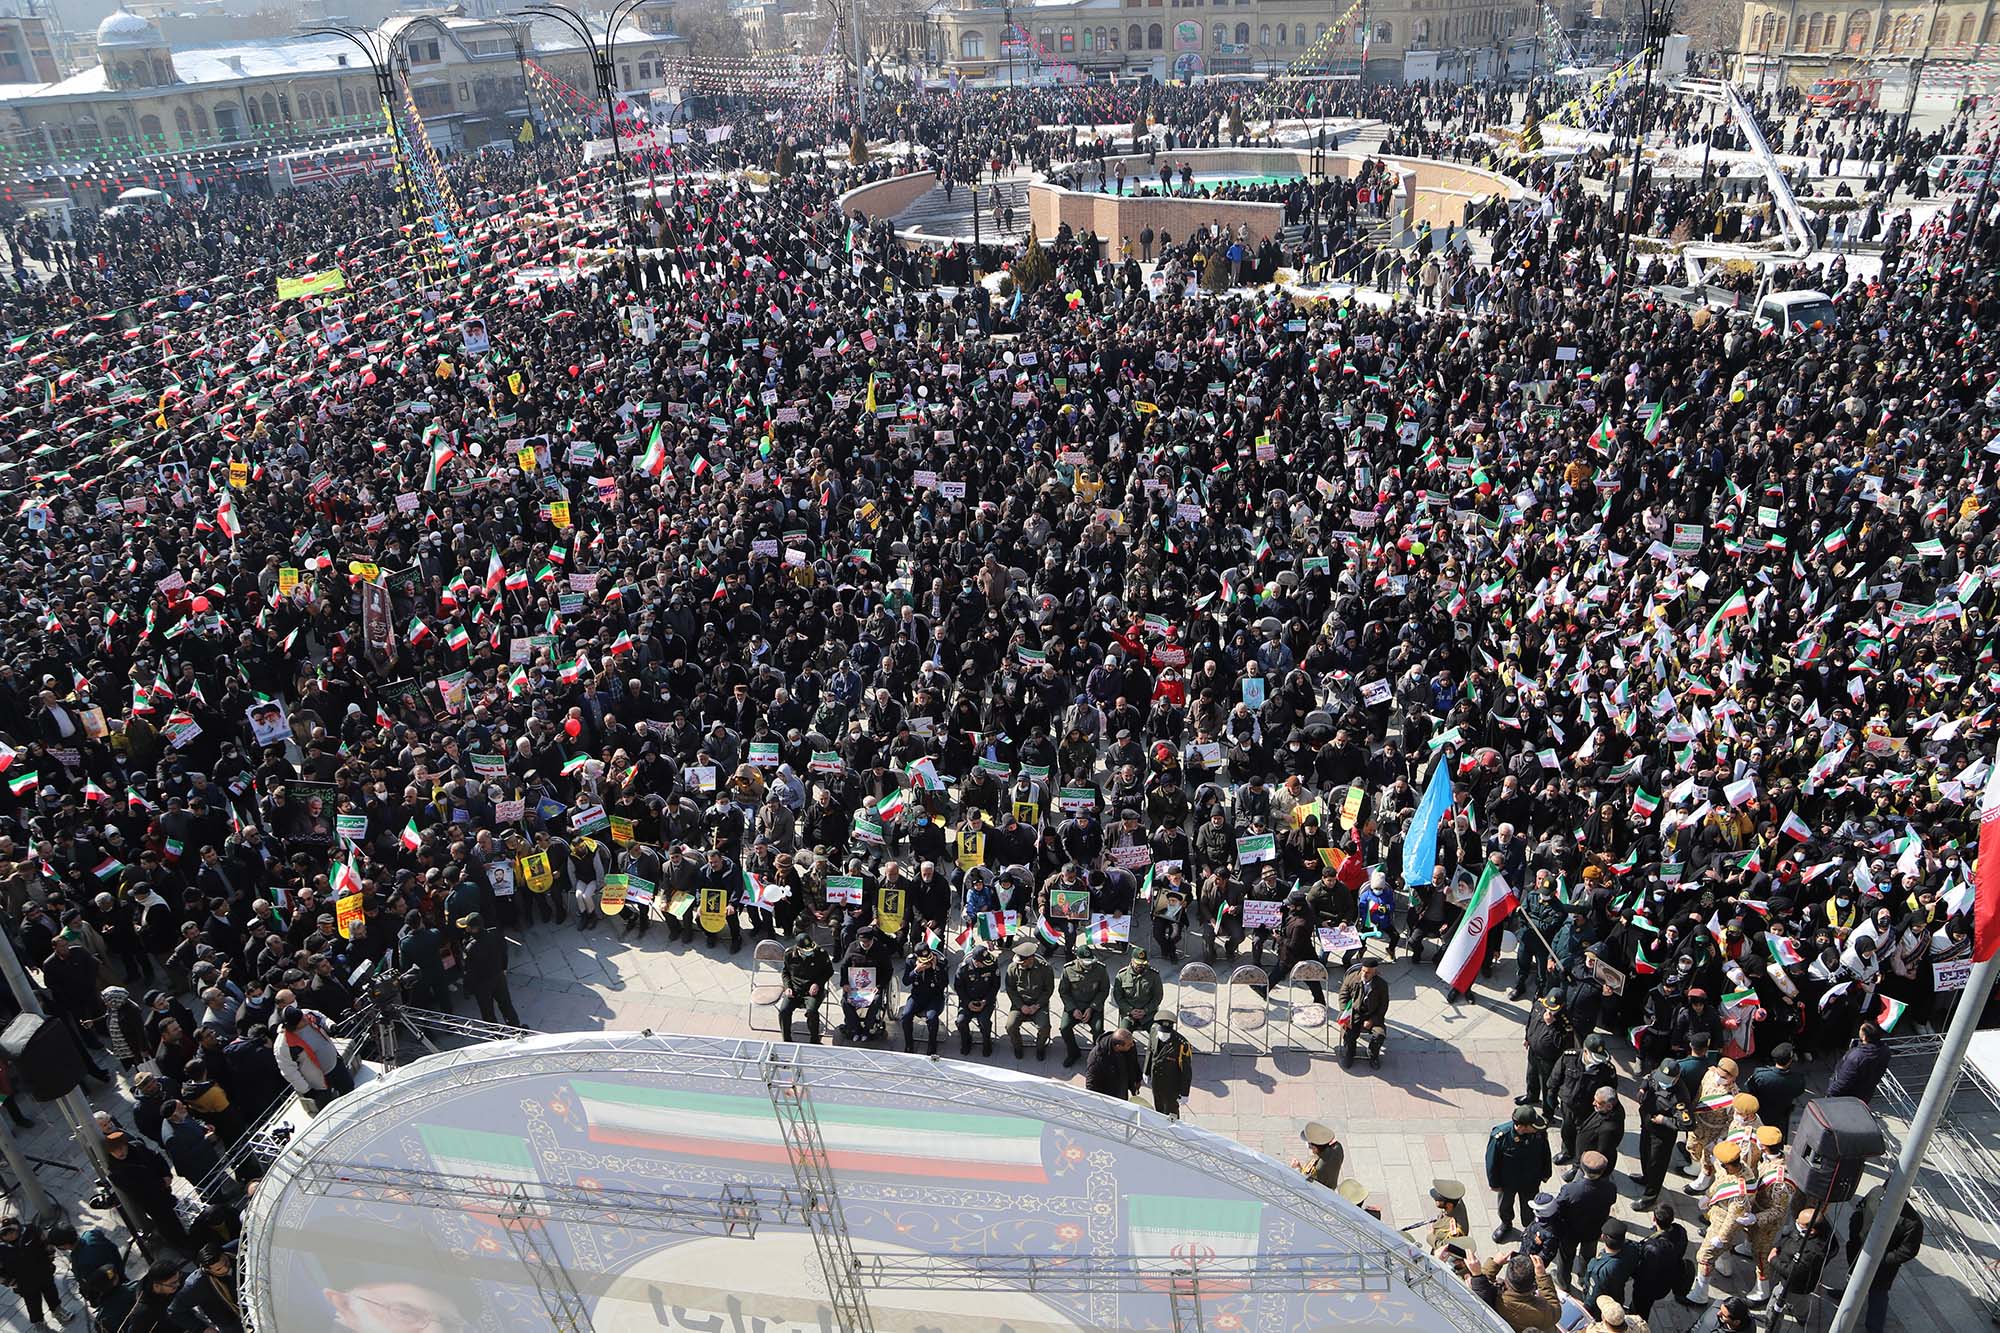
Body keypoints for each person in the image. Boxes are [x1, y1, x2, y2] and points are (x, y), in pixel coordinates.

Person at [1846, 1183, 1923, 1333]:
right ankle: (1846, 1295)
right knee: (1852, 1277)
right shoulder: (1876, 1192)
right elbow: (1860, 1210)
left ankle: (1874, 1327)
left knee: (1878, 1294)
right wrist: (1854, 1234)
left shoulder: (1912, 1222)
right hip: (1858, 1249)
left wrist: (1884, 1260)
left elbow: (1908, 1250)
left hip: (1882, 1266)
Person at [1688, 1139, 1754, 1305]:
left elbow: (1733, 1217)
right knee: (1721, 1250)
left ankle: (1700, 1294)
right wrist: (1708, 1196)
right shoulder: (1735, 1168)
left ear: (1728, 1165)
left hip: (1724, 1222)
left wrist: (1722, 1237)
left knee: (1704, 1256)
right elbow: (1719, 1180)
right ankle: (1725, 1267)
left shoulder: (1740, 1189)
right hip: (1717, 1213)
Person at [1550, 1151, 1616, 1291]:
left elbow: (1558, 1207)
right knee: (1588, 1256)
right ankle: (1584, 1279)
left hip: (1570, 1231)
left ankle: (1563, 1282)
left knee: (1566, 1257)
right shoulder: (1610, 1188)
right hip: (1594, 1230)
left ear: (1582, 1168)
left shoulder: (1570, 1189)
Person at [1487, 1105, 1554, 1242]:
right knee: (1505, 1206)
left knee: (1529, 1207)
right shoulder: (1501, 1137)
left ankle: (1529, 1228)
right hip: (1508, 1182)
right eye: (1532, 1126)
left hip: (1530, 1180)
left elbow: (1545, 1153)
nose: (1536, 1128)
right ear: (1522, 1127)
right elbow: (1491, 1161)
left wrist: (1546, 1173)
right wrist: (1494, 1183)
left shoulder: (1538, 1134)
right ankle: (1506, 1225)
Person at [275, 1004, 354, 1112]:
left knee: (349, 1090)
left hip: (336, 1065)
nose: (305, 1018)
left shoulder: (306, 1014)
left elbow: (321, 1018)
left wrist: (330, 1025)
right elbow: (289, 1070)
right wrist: (306, 1090)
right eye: (301, 1020)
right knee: (329, 1110)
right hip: (318, 1084)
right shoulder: (283, 1045)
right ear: (293, 1026)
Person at [0, 1214, 69, 1328]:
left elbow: (47, 1244)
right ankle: (39, 1323)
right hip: (24, 1284)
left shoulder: (31, 1231)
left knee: (51, 1293)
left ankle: (57, 1310)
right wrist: (11, 1283)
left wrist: (50, 1260)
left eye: (12, 1231)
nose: (10, 1235)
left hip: (44, 1273)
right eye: (5, 1233)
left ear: (18, 1227)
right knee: (33, 1304)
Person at [1632, 1059, 1684, 1211]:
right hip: (1647, 1125)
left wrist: (1665, 1120)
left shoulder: (1680, 1096)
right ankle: (1645, 1178)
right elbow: (1649, 1078)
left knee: (1657, 1165)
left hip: (1662, 1136)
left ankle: (1650, 1197)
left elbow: (1687, 1123)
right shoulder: (1658, 1074)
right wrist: (1642, 1089)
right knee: (1645, 1154)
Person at [457, 912, 521, 1027]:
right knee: (506, 1005)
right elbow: (504, 952)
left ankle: (496, 1036)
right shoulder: (494, 935)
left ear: (472, 929)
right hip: (498, 977)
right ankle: (516, 1029)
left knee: (488, 1013)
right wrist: (504, 968)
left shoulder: (470, 948)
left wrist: (467, 989)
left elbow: (469, 971)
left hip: (482, 984)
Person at [1628, 1203, 1690, 1320]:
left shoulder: (1653, 1247)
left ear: (1654, 1219)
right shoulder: (1680, 1231)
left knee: (1640, 1309)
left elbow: (1642, 1268)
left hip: (1648, 1287)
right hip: (1666, 1281)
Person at [1057, 940, 1110, 1068]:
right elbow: (1064, 992)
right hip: (1074, 1006)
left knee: (1098, 1031)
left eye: (1090, 962)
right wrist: (1073, 1009)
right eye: (1085, 963)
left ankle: (1097, 1056)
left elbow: (1104, 990)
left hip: (1093, 1006)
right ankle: (1073, 1052)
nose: (1089, 966)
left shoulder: (1100, 970)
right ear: (1078, 959)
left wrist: (1092, 1008)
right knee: (1064, 1028)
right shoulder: (1068, 970)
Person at [776, 931, 832, 1044]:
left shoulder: (821, 954)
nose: (810, 952)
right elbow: (785, 972)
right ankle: (787, 1039)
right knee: (784, 1011)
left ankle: (814, 1039)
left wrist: (818, 984)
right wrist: (787, 987)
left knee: (812, 1011)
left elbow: (829, 971)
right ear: (799, 949)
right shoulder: (789, 954)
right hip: (795, 990)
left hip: (812, 991)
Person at [1005, 939, 1056, 1060]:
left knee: (1045, 1027)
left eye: (1023, 962)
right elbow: (1011, 990)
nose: (1020, 964)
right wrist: (1021, 1006)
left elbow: (1048, 990)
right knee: (1010, 1026)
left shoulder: (1045, 969)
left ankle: (1040, 1047)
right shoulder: (1012, 968)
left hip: (1038, 1005)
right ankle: (1017, 1046)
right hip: (1020, 1004)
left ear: (1030, 959)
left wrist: (1037, 1005)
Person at [1336, 955, 1389, 1068]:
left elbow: (1383, 1006)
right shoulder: (1352, 978)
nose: (1364, 974)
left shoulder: (1381, 985)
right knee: (1348, 1033)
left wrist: (1372, 1020)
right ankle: (1350, 1053)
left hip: (1372, 1015)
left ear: (1375, 972)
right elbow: (1343, 997)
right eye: (1363, 971)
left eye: (1368, 972)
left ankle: (1373, 1054)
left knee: (1379, 1034)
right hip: (1353, 1013)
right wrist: (1346, 1016)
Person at [899, 941, 950, 1055]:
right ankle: (909, 1044)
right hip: (917, 996)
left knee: (932, 1017)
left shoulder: (941, 962)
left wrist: (936, 969)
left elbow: (944, 984)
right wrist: (916, 971)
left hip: (935, 997)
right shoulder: (911, 961)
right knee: (906, 1016)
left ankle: (932, 1045)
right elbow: (906, 981)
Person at [954, 944, 1002, 1057]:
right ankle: (966, 1041)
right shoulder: (963, 968)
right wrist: (967, 1002)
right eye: (982, 962)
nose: (985, 964)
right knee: (961, 1021)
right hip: (968, 1001)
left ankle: (987, 1042)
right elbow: (958, 987)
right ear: (976, 961)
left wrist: (985, 1001)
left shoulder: (992, 965)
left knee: (984, 1022)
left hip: (986, 1001)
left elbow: (995, 986)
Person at [1826, 1023, 1892, 1104]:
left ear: (1864, 1037)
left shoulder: (1856, 1057)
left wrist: (1831, 1093)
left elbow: (1844, 1080)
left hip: (1845, 1096)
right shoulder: (1885, 1051)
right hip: (1864, 1094)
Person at [1582, 1218, 1639, 1308]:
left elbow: (1593, 1296)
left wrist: (1586, 1307)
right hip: (1618, 1295)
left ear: (1603, 1237)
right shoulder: (1632, 1250)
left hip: (1603, 1305)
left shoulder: (1598, 1269)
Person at [1148, 1016, 1194, 1118]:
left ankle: (1173, 1128)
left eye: (1166, 1033)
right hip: (1156, 1080)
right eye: (1162, 1032)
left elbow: (1186, 1071)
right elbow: (1150, 1051)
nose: (1163, 1036)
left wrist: (1185, 1092)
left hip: (1171, 1084)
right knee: (1158, 1105)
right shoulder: (1154, 1031)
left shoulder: (1182, 1044)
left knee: (1171, 1109)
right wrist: (1146, 1071)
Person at [1109, 946, 1163, 1032]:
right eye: (1138, 963)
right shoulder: (1122, 975)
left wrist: (1146, 1010)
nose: (1141, 966)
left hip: (1148, 1015)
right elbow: (1118, 997)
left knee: (1158, 1035)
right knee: (1122, 1035)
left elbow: (1157, 997)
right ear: (1132, 961)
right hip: (1128, 1015)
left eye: (1143, 964)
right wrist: (1130, 1010)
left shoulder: (1154, 975)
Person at [1083, 1027, 1144, 1100]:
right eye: (1129, 1045)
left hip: (1122, 1085)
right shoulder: (1096, 1058)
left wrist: (1138, 1079)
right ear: (1118, 1046)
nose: (1132, 1045)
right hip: (1109, 1092)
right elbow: (1091, 1085)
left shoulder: (1129, 1044)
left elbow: (1134, 1062)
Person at [1294, 1121, 1344, 1189]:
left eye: (1311, 1147)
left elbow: (1306, 1183)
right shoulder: (1338, 1147)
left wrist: (1298, 1167)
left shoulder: (1318, 1169)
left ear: (1315, 1148)